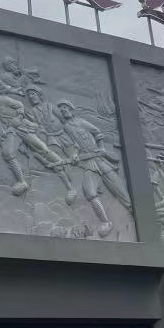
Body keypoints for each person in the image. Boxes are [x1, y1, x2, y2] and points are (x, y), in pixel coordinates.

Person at [0, 78, 75, 200]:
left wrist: (18, 118)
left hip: (22, 127)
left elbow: (20, 106)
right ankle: (22, 182)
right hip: (12, 131)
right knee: (7, 153)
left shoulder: (1, 99)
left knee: (43, 150)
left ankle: (66, 176)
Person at [55, 101, 131, 237]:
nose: (63, 111)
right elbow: (75, 144)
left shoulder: (81, 122)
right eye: (61, 110)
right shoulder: (67, 127)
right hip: (89, 162)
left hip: (100, 159)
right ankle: (106, 222)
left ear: (71, 109)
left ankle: (133, 212)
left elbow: (97, 132)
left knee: (121, 191)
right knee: (89, 193)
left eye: (65, 108)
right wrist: (75, 155)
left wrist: (101, 148)